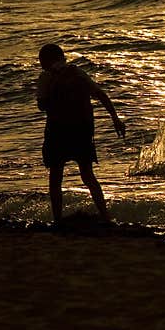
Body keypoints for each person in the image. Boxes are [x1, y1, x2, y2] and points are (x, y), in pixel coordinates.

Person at [36, 43, 125, 224]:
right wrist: (115, 118)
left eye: (41, 60)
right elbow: (101, 95)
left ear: (46, 60)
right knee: (87, 175)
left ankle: (58, 220)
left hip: (58, 132)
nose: (40, 64)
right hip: (81, 131)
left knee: (55, 177)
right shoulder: (78, 73)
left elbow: (41, 105)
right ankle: (105, 216)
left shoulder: (46, 77)